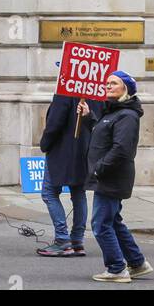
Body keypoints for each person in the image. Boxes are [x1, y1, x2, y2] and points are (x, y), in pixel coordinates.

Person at [85, 71, 154, 282]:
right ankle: (137, 263)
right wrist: (90, 118)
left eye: (114, 83)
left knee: (100, 224)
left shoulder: (127, 116)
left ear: (126, 89)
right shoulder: (113, 112)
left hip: (111, 177)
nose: (108, 86)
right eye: (107, 83)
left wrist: (100, 169)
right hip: (108, 175)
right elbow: (103, 135)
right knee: (114, 221)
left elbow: (122, 149)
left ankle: (116, 268)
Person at [36, 92, 103, 256]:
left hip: (62, 150)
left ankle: (62, 239)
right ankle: (77, 240)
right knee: (78, 193)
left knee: (49, 192)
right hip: (85, 150)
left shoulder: (66, 92)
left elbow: (54, 124)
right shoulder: (97, 93)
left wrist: (45, 143)